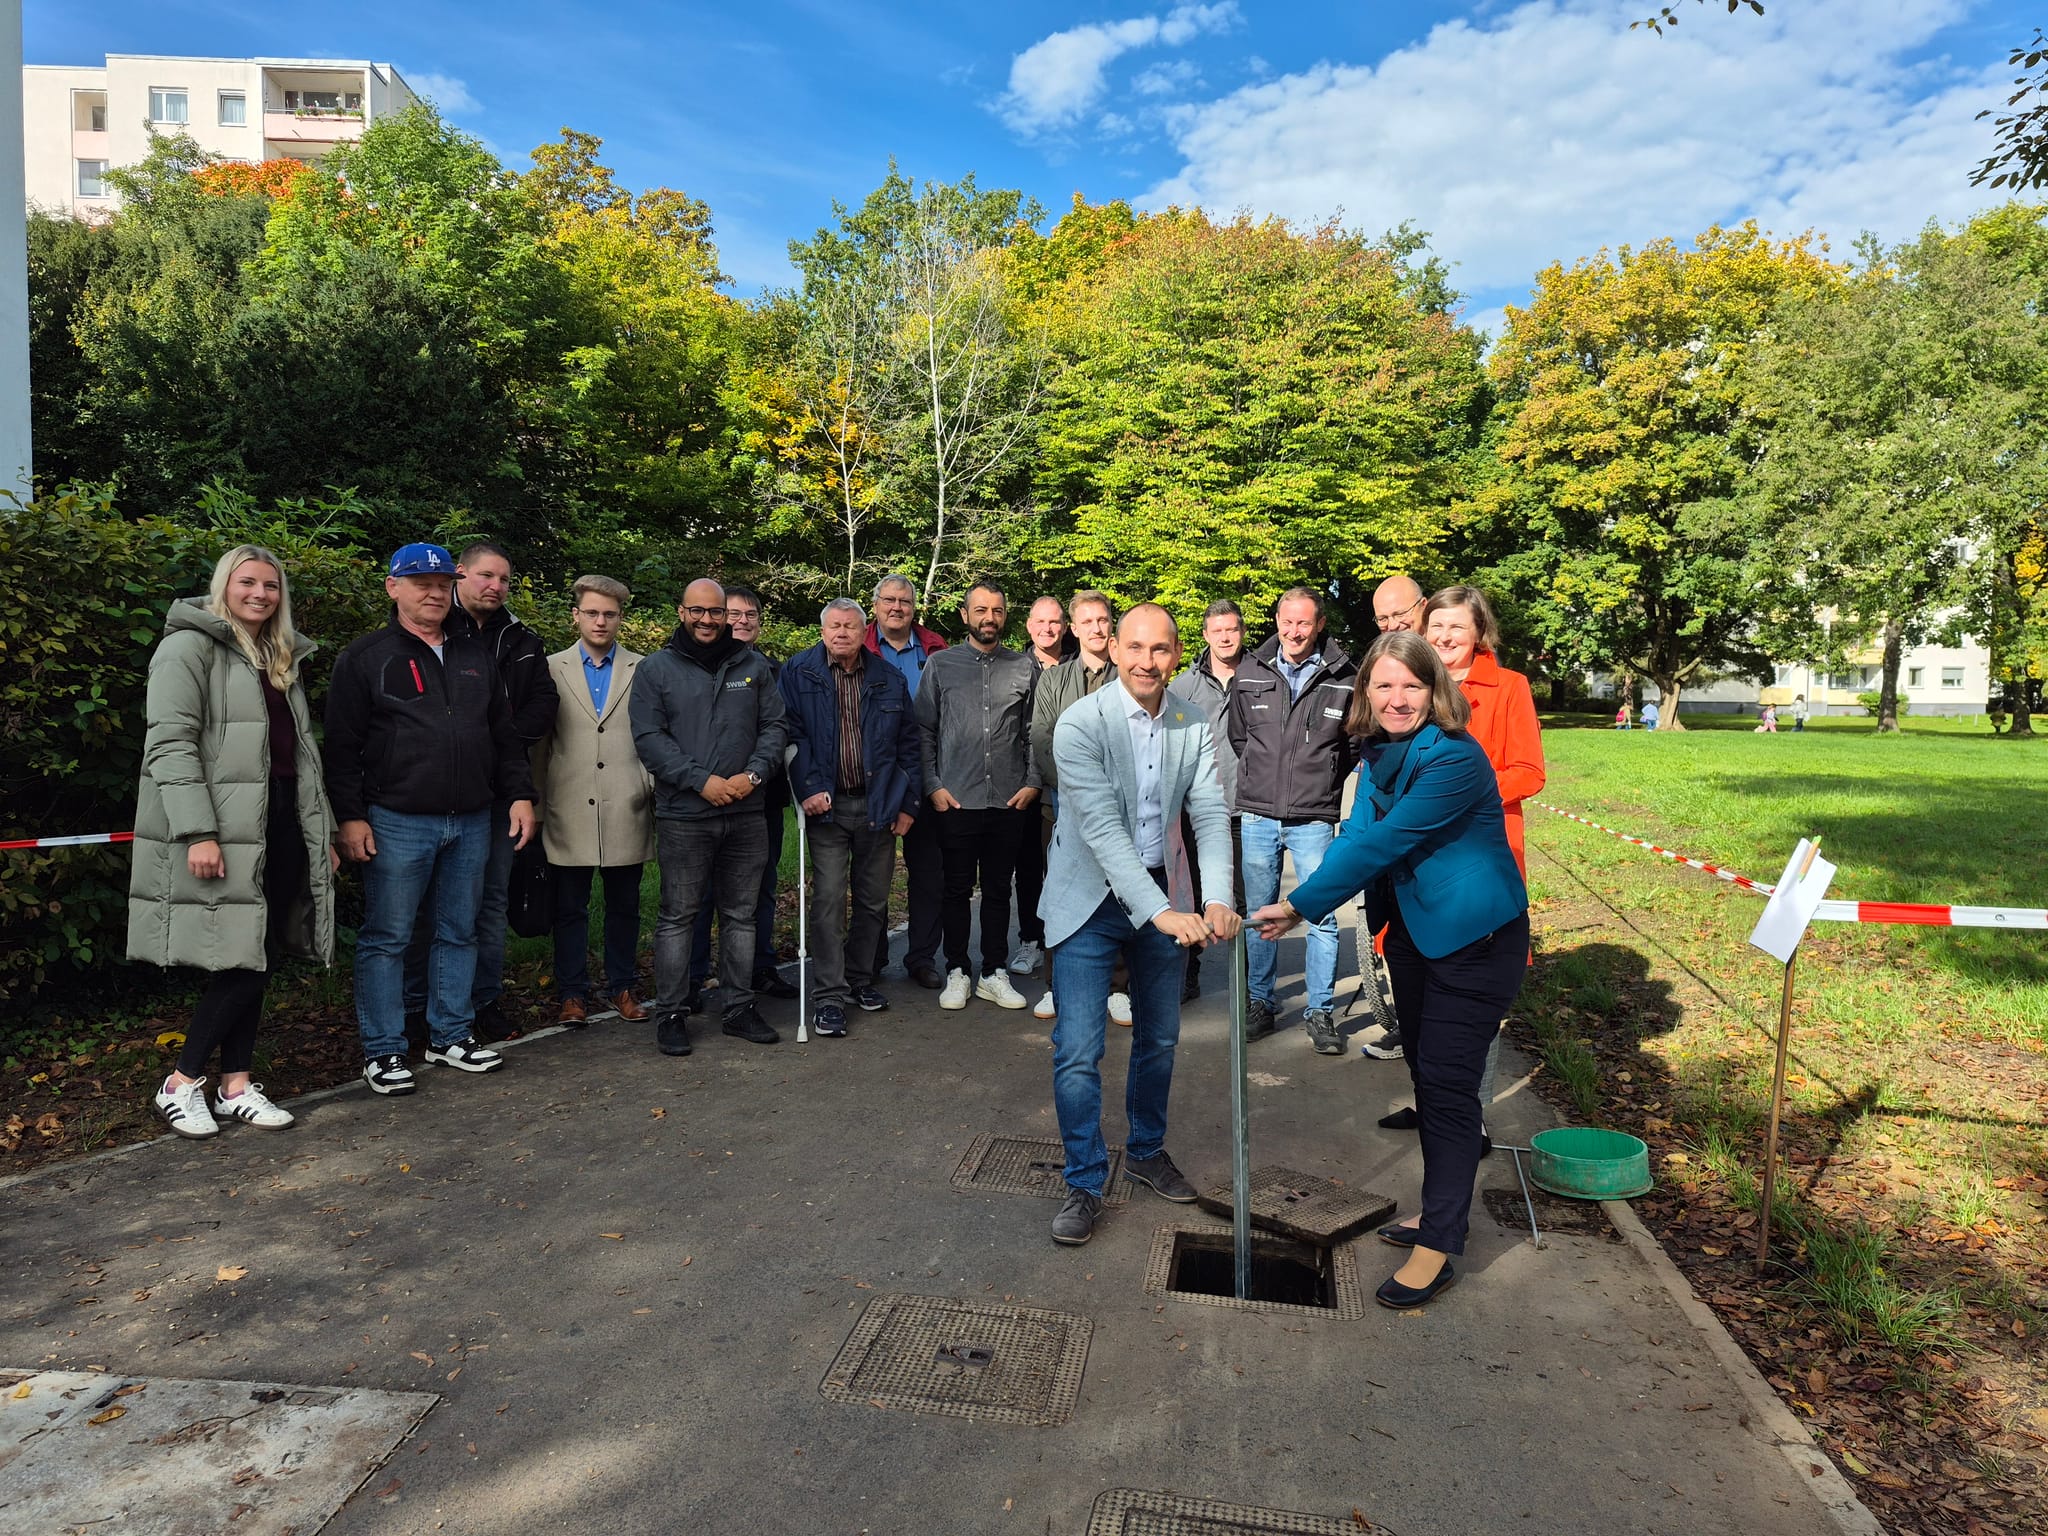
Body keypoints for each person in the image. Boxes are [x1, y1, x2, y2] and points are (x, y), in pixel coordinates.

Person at [1249, 631, 1530, 1310]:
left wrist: (1299, 904)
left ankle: (1440, 1245)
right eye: (1384, 685)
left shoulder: (1454, 757)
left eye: (1412, 685)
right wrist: (1313, 895)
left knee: (1449, 1089)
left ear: (1435, 691)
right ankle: (1441, 1211)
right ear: (1365, 693)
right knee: (1429, 1081)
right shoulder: (1378, 753)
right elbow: (1355, 833)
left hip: (1475, 939)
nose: (1397, 698)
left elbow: (1385, 841)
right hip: (1414, 935)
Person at [1043, 604, 1241, 1245]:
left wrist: (1217, 896)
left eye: (1159, 649)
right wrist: (1161, 913)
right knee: (1079, 1049)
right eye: (1134, 647)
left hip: (1167, 892)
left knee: (1159, 1038)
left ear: (1177, 655)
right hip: (1088, 901)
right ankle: (1083, 1181)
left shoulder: (1192, 722)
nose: (1146, 661)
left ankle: (1147, 1153)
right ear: (1113, 648)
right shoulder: (1081, 723)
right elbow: (1102, 829)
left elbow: (1208, 812)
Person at [130, 545, 338, 1135]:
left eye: (271, 586)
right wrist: (198, 831)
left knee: (258, 950)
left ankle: (236, 1085)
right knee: (240, 956)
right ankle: (181, 1082)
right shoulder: (186, 648)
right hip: (224, 827)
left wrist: (318, 830)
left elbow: (302, 755)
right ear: (224, 585)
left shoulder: (277, 655)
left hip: (279, 820)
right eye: (247, 582)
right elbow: (170, 744)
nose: (260, 594)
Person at [325, 543, 537, 1096]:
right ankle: (384, 1050)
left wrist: (520, 795)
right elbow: (341, 747)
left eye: (443, 584)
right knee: (388, 937)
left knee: (459, 931)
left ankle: (450, 1035)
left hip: (471, 818)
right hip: (397, 819)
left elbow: (503, 735)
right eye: (421, 584)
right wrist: (349, 817)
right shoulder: (366, 657)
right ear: (393, 587)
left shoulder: (474, 654)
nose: (434, 593)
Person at [400, 541, 556, 1044]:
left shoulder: (523, 640)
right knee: (427, 906)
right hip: (434, 790)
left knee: (490, 902)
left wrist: (496, 741)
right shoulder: (433, 630)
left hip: (501, 791)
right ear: (460, 574)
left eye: (504, 579)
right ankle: (416, 1006)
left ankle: (483, 1000)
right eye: (486, 575)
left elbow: (543, 703)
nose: (496, 586)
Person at [632, 578, 789, 1055]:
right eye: (697, 611)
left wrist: (754, 775)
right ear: (682, 612)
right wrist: (701, 781)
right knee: (678, 917)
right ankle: (672, 1013)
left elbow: (775, 726)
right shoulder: (656, 669)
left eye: (715, 612)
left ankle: (739, 1007)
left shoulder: (753, 666)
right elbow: (649, 738)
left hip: (747, 811)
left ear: (725, 615)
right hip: (685, 814)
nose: (707, 620)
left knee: (741, 915)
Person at [781, 598, 923, 1036]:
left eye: (851, 626)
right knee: (828, 901)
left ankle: (859, 978)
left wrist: (908, 804)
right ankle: (828, 995)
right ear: (823, 631)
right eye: (834, 626)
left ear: (865, 632)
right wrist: (807, 788)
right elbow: (789, 734)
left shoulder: (888, 677)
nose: (842, 633)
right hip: (827, 806)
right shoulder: (798, 672)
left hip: (878, 805)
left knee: (873, 900)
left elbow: (909, 745)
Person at [1228, 586, 1357, 1053]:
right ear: (1277, 621)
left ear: (1319, 624)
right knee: (1259, 913)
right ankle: (1261, 1002)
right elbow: (1240, 737)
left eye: (1303, 622)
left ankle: (1320, 1012)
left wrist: (1320, 783)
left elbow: (1352, 745)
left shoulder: (1345, 676)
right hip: (1258, 815)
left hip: (1313, 818)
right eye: (1287, 621)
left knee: (1320, 914)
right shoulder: (1250, 671)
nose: (1294, 631)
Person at [916, 580, 1039, 1011]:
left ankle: (993, 971)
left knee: (999, 890)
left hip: (1008, 799)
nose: (990, 618)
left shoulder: (1024, 667)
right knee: (955, 889)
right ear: (965, 615)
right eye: (981, 610)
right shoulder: (940, 665)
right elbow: (923, 731)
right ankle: (957, 969)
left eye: (997, 610)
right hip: (956, 799)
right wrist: (932, 785)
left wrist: (1033, 781)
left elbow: (1034, 732)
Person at [537, 575, 654, 1028]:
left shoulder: (643, 669)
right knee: (569, 907)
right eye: (591, 613)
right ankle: (572, 994)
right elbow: (541, 744)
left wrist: (646, 786)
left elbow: (654, 734)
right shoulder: (551, 667)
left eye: (609, 614)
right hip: (568, 805)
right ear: (576, 616)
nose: (600, 621)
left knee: (624, 905)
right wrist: (537, 802)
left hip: (627, 802)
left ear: (621, 618)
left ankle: (622, 986)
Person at [688, 586, 797, 1008]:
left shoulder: (775, 670)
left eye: (751, 615)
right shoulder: (694, 665)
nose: (742, 621)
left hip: (761, 798)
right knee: (701, 893)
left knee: (760, 888)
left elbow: (780, 727)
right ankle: (694, 976)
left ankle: (758, 968)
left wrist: (752, 775)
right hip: (705, 798)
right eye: (733, 614)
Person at [1027, 591, 1126, 1025]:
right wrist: (1078, 788)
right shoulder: (1054, 679)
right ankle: (1056, 986)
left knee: (1120, 892)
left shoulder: (1128, 674)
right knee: (1061, 895)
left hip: (1120, 808)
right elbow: (1042, 738)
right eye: (1087, 621)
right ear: (1074, 628)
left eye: (1103, 620)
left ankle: (1118, 988)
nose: (1096, 628)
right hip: (1062, 806)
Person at [865, 574, 949, 989]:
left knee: (928, 873)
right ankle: (871, 957)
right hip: (876, 775)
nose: (897, 607)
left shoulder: (935, 648)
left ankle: (922, 957)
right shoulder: (860, 645)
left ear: (915, 608)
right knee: (871, 874)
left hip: (927, 771)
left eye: (905, 601)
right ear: (875, 605)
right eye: (889, 600)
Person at [1167, 598, 1246, 1003]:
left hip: (1245, 807)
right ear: (1205, 635)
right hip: (1192, 810)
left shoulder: (1260, 678)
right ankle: (1188, 974)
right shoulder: (1184, 686)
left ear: (1242, 632)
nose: (1225, 637)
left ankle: (1248, 988)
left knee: (1243, 903)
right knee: (1192, 896)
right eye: (1217, 631)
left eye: (1231, 629)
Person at [1011, 596, 1075, 983]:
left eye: (1055, 622)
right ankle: (1031, 939)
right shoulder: (1015, 666)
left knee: (1064, 868)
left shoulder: (1078, 664)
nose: (1048, 629)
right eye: (1040, 621)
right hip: (1020, 784)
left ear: (1065, 627)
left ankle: (1065, 940)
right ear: (1029, 625)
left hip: (1063, 783)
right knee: (1028, 867)